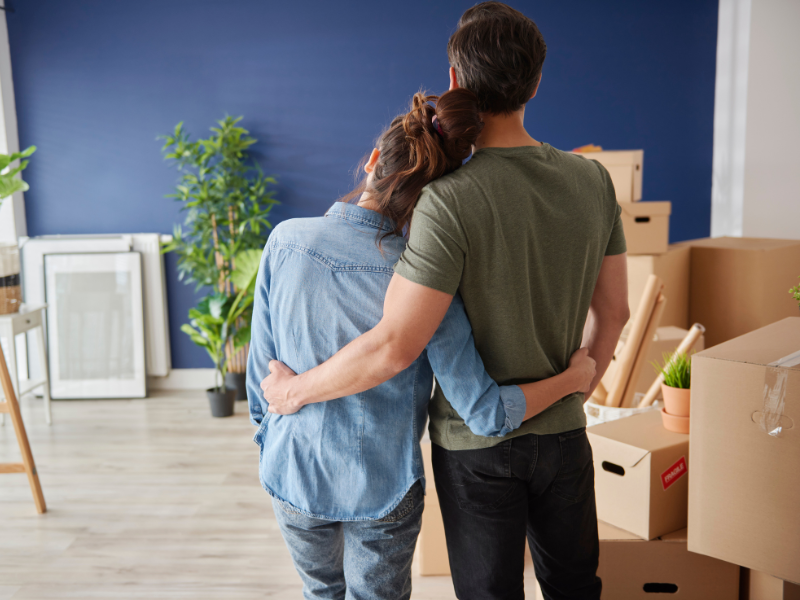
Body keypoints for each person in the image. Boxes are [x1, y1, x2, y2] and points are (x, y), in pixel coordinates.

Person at [260, 3, 630, 599]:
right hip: (563, 437)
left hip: (476, 450)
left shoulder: (446, 200)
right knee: (575, 587)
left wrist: (290, 393)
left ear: (455, 80)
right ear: (536, 82)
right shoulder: (593, 180)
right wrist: (576, 385)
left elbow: (394, 344)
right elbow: (614, 314)